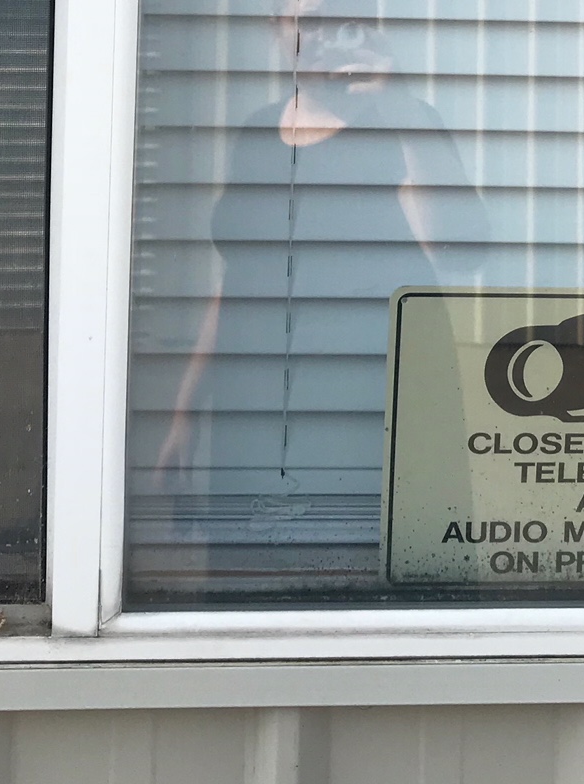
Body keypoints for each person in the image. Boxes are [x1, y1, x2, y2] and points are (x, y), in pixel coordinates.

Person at [154, 0, 487, 484]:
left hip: (363, 399)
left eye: (339, 18)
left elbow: (449, 249)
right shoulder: (257, 130)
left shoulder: (403, 122)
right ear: (276, 27)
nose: (325, 35)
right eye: (310, 21)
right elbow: (237, 280)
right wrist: (185, 411)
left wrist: (399, 109)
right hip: (252, 400)